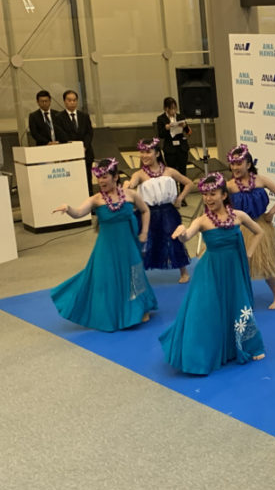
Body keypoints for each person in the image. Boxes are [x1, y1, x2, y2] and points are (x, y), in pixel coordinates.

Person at [159, 173, 265, 375]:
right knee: (205, 310)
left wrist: (249, 253)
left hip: (233, 270)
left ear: (224, 195)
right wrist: (181, 232)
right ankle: (201, 354)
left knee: (238, 305)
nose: (208, 198)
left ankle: (248, 346)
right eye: (205, 195)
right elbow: (187, 236)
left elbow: (259, 231)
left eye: (212, 194)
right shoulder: (202, 221)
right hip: (210, 272)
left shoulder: (239, 216)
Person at [50, 158, 157, 331]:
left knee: (134, 275)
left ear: (115, 177)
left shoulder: (130, 195)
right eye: (98, 178)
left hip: (128, 244)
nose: (101, 181)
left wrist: (144, 232)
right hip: (106, 249)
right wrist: (68, 208)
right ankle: (111, 313)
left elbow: (145, 210)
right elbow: (78, 213)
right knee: (105, 279)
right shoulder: (96, 200)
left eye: (105, 176)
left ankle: (141, 308)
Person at [226, 144, 275, 309]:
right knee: (240, 266)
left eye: (239, 163)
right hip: (240, 229)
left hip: (260, 226)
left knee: (266, 263)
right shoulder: (229, 186)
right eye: (233, 164)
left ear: (248, 164)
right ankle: (242, 298)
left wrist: (272, 213)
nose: (235, 167)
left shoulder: (261, 180)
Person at [125, 138, 194, 283]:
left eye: (148, 152)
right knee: (144, 242)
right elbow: (131, 184)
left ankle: (183, 272)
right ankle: (135, 274)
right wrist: (127, 185)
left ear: (157, 154)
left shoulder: (169, 171)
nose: (144, 155)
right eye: (142, 152)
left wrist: (180, 198)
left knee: (174, 239)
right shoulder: (139, 174)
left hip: (168, 211)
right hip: (147, 213)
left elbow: (189, 183)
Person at [53, 90, 94, 194]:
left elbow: (89, 133)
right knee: (73, 181)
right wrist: (74, 148)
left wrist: (84, 146)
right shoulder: (58, 117)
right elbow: (61, 135)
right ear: (64, 101)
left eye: (74, 100)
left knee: (87, 179)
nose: (72, 102)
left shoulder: (84, 116)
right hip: (69, 155)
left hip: (85, 154)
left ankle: (90, 203)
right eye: (69, 100)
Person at [156, 97, 191, 176]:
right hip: (170, 148)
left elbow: (188, 132)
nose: (173, 111)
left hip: (182, 147)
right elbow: (160, 135)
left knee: (183, 171)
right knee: (172, 171)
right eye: (171, 108)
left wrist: (185, 126)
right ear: (166, 108)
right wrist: (166, 128)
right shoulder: (161, 119)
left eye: (175, 108)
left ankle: (183, 188)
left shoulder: (180, 117)